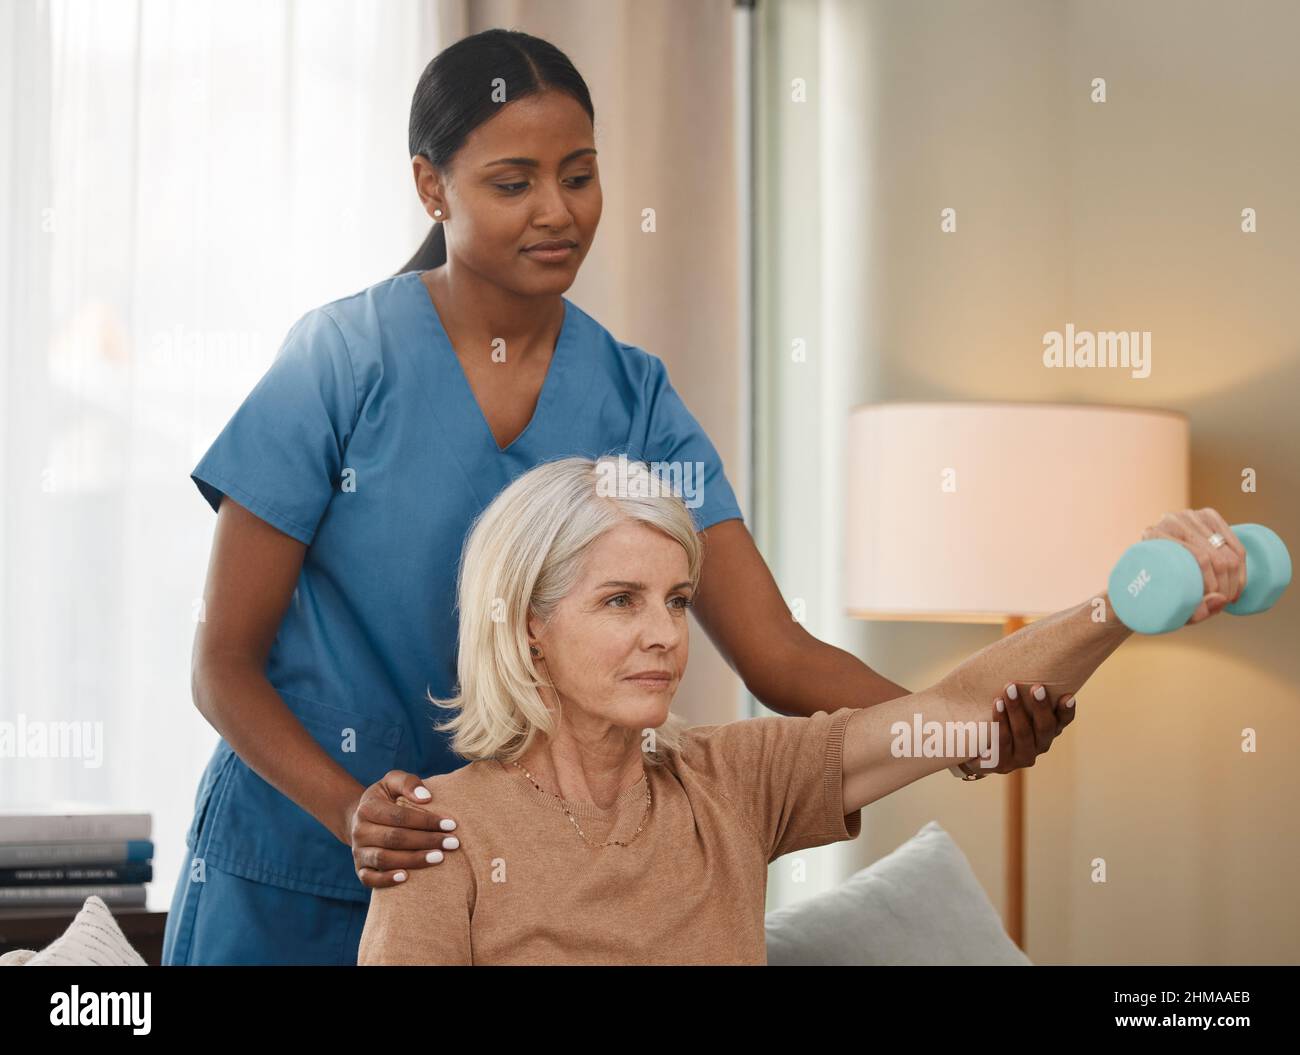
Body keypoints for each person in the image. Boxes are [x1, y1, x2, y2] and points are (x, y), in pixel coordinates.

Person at [163, 28, 1205, 966]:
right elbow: (222, 662)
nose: (558, 211)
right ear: (433, 189)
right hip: (290, 864)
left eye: (579, 175)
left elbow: (778, 651)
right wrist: (353, 812)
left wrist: (949, 734)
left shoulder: (633, 395)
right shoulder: (337, 363)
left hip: (516, 871)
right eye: (513, 182)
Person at [356, 456, 1235, 964]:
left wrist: (1122, 602)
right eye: (621, 600)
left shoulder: (730, 779)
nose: (664, 633)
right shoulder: (436, 833)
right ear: (528, 626)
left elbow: (954, 712)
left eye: (678, 599)